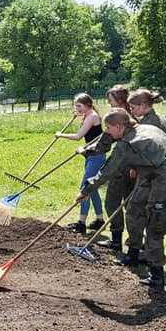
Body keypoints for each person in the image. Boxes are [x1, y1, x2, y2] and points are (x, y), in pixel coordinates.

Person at [78, 108, 166, 295]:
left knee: (154, 230)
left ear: (119, 126)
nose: (106, 131)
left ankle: (156, 277)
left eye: (108, 127)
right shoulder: (148, 128)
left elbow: (108, 171)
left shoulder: (128, 144)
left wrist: (86, 190)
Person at [114, 88, 166, 266]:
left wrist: (138, 167)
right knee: (139, 211)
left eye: (133, 107)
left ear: (144, 105)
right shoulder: (152, 117)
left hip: (152, 175)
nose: (131, 111)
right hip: (153, 172)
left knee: (135, 211)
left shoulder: (152, 121)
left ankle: (135, 252)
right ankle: (139, 250)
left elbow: (149, 147)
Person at [83, 85, 134, 254]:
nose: (109, 105)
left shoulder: (127, 118)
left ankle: (135, 246)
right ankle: (116, 241)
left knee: (130, 206)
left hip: (126, 167)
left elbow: (106, 144)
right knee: (113, 203)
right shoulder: (117, 117)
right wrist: (87, 150)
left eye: (111, 101)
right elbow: (105, 141)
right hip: (121, 165)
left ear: (120, 101)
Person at [56, 93, 105, 234]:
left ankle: (81, 224)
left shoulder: (92, 116)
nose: (76, 108)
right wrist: (78, 115)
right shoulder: (87, 115)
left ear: (88, 105)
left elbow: (78, 136)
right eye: (75, 105)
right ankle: (100, 220)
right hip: (90, 156)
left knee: (85, 188)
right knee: (92, 188)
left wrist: (61, 135)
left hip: (96, 156)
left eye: (79, 106)